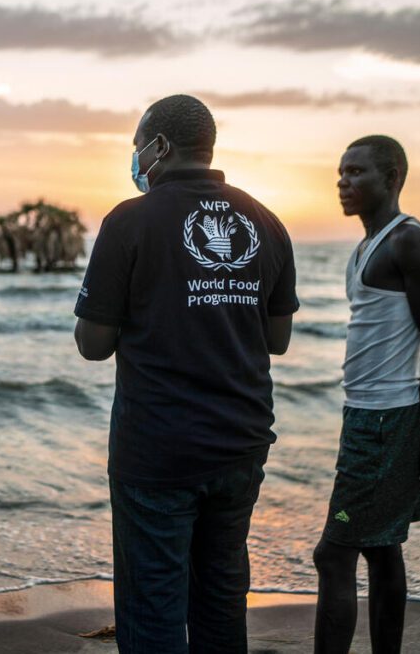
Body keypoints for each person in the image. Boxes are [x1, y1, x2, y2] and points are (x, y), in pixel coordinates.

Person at [73, 94, 299, 653]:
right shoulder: (265, 221)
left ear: (160, 146)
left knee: (152, 606)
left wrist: (155, 313)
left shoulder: (129, 222)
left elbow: (92, 344)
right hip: (241, 446)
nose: (134, 160)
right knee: (221, 600)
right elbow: (277, 340)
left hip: (157, 452)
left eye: (136, 148)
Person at [314, 135, 420, 654]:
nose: (343, 182)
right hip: (368, 417)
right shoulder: (365, 247)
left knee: (334, 556)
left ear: (392, 177)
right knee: (381, 549)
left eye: (356, 172)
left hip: (384, 423)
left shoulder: (409, 242)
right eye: (340, 173)